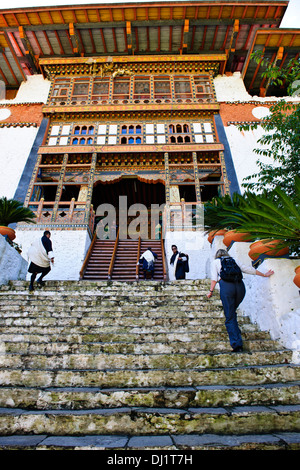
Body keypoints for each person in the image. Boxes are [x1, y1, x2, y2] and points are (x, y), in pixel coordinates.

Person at [207, 249, 274, 353]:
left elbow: (214, 279)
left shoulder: (215, 262)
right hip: (240, 287)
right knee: (232, 312)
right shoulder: (234, 260)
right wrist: (264, 274)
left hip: (227, 287)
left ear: (217, 255)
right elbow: (248, 269)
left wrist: (211, 291)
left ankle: (237, 345)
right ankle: (236, 333)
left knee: (229, 316)